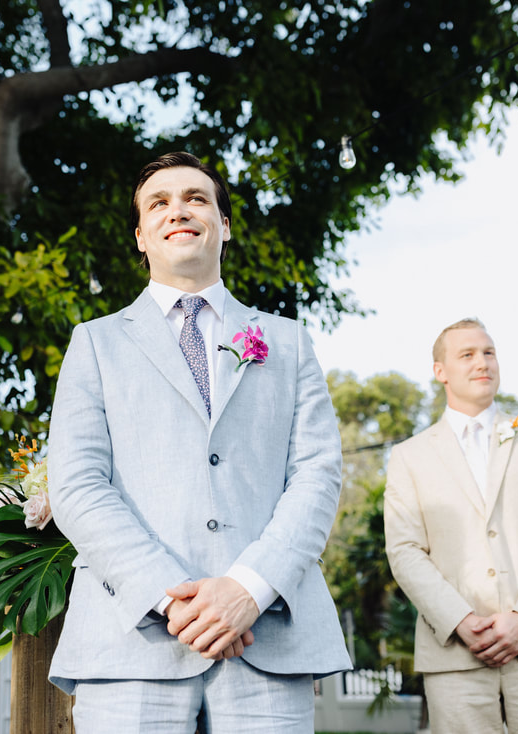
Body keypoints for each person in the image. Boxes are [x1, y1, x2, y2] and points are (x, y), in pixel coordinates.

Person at [45, 151, 350, 732]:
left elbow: (317, 475)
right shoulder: (95, 343)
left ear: (224, 224)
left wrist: (247, 589)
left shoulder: (285, 342)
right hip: (131, 639)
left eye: (196, 198)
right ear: (141, 236)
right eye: (158, 203)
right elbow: (79, 485)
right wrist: (172, 598)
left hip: (266, 637)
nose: (178, 210)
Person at [383, 318, 518, 733]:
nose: (483, 362)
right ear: (440, 371)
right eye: (467, 354)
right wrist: (459, 620)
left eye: (489, 352)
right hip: (455, 653)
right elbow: (405, 551)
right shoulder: (409, 456)